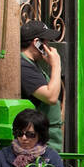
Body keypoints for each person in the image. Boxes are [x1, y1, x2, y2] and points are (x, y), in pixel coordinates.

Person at [0, 109, 67, 167]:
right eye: (19, 133)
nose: (24, 138)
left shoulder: (51, 156)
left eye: (30, 134)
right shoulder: (1, 156)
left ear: (40, 135)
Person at [20, 20, 65, 151]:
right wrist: (56, 65)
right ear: (37, 43)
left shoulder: (33, 64)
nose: (48, 46)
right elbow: (50, 97)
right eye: (45, 42)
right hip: (40, 142)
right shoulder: (24, 66)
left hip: (48, 139)